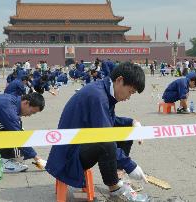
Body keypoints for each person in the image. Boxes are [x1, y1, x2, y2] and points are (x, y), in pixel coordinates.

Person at [46, 62, 149, 201]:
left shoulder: (103, 91)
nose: (129, 97)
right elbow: (105, 135)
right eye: (130, 92)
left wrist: (132, 122)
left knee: (124, 131)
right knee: (106, 144)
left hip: (79, 145)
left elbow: (108, 120)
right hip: (69, 156)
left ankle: (117, 175)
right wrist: (130, 165)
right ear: (120, 80)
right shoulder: (98, 96)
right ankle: (115, 189)